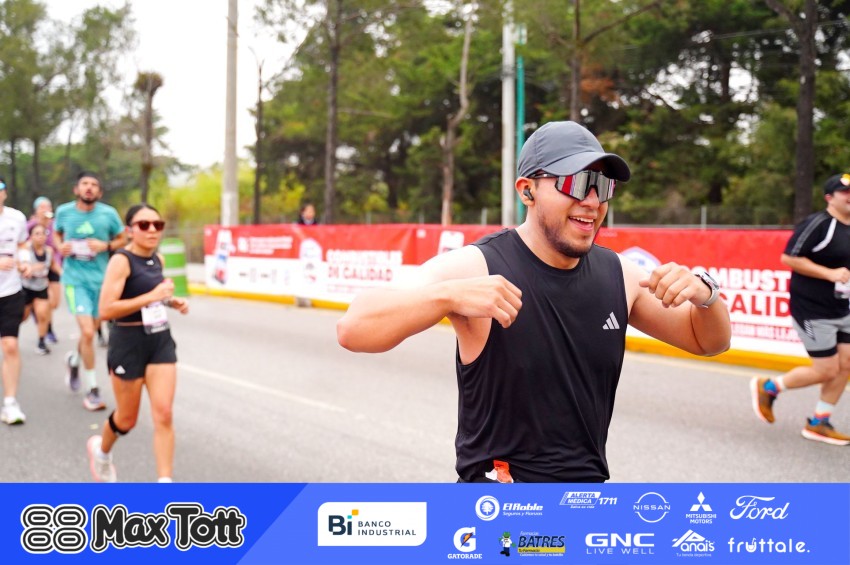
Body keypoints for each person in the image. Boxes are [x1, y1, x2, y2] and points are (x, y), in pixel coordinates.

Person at [337, 121, 732, 483]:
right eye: (577, 182)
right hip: (497, 511)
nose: (592, 200)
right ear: (527, 190)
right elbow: (353, 329)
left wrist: (706, 296)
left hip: (586, 503)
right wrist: (448, 296)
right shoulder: (479, 265)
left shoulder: (620, 274)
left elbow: (709, 342)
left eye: (603, 185)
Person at [87, 204, 189, 483]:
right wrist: (153, 296)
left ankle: (165, 484)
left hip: (159, 340)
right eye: (144, 225)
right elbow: (106, 309)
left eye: (158, 224)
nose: (152, 230)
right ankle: (102, 451)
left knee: (164, 414)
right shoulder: (121, 261)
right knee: (126, 419)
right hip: (128, 343)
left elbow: (153, 296)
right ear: (130, 230)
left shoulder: (158, 259)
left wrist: (172, 301)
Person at [751, 173, 850, 446]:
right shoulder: (819, 223)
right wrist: (829, 274)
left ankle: (819, 423)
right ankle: (769, 387)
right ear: (829, 197)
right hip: (812, 309)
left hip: (842, 308)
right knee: (827, 369)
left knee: (846, 364)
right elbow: (789, 257)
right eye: (845, 192)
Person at [53, 172, 126, 411]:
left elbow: (123, 238)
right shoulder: (64, 212)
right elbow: (56, 233)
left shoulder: (108, 214)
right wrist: (60, 246)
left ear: (99, 192)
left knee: (90, 334)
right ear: (76, 189)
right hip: (75, 281)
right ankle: (93, 389)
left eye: (94, 185)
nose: (89, 188)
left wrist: (106, 245)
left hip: (101, 281)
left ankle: (74, 360)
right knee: (86, 332)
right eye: (85, 183)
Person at [0, 177, 32, 425]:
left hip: (10, 291)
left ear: (5, 192)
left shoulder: (16, 218)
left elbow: (22, 244)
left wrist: (25, 262)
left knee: (10, 346)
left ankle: (10, 402)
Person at [22, 224, 61, 355]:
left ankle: (41, 342)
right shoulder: (26, 249)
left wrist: (64, 274)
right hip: (26, 287)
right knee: (23, 317)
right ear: (31, 236)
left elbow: (54, 265)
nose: (40, 237)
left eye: (43, 233)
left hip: (41, 286)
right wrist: (31, 268)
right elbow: (19, 265)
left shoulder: (49, 251)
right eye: (37, 234)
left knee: (43, 315)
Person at [27, 196, 60, 344]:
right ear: (36, 210)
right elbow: (23, 244)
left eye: (48, 206)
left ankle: (43, 318)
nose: (45, 209)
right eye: (42, 207)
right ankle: (47, 329)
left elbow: (59, 244)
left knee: (54, 303)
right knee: (45, 302)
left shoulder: (55, 225)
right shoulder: (30, 225)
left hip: (53, 264)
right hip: (36, 265)